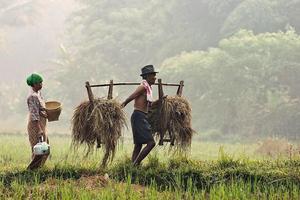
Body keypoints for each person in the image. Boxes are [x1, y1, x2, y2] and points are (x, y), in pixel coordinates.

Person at [121, 65, 159, 166]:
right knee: (151, 143)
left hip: (141, 116)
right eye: (152, 75)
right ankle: (135, 164)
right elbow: (133, 95)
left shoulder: (148, 89)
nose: (155, 77)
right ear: (146, 76)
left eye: (155, 75)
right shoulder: (143, 86)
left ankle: (132, 168)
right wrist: (123, 104)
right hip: (139, 116)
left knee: (138, 145)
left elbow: (149, 106)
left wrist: (160, 101)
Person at [26, 73, 50, 170]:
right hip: (36, 125)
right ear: (34, 84)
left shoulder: (38, 95)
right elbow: (34, 114)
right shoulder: (33, 97)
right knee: (39, 150)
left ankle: (38, 169)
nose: (41, 84)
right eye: (40, 83)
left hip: (41, 124)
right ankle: (31, 170)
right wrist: (39, 129)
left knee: (45, 148)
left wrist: (45, 114)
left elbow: (39, 110)